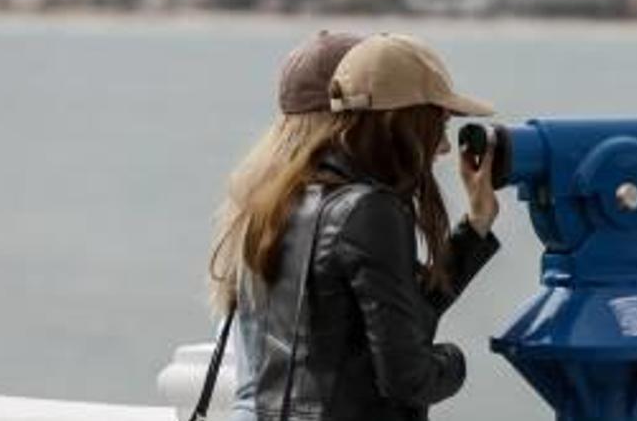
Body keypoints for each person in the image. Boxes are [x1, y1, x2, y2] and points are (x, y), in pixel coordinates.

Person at [208, 32, 501, 421]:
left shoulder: (273, 202)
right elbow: (406, 375)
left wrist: (476, 226)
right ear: (402, 123)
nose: (443, 148)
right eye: (438, 125)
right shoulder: (368, 211)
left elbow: (394, 310)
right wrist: (455, 362)